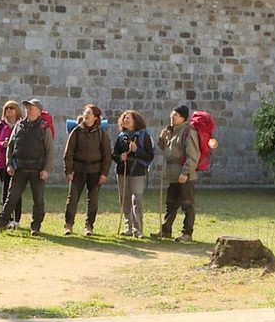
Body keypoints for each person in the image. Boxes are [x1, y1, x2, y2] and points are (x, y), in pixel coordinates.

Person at [0, 98, 53, 237]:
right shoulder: (19, 126)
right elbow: (10, 146)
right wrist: (9, 163)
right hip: (20, 169)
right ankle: (1, 224)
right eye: (27, 107)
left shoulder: (44, 128)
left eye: (31, 107)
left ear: (38, 111)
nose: (28, 109)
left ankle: (35, 227)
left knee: (38, 200)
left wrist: (46, 169)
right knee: (11, 197)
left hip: (37, 170)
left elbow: (49, 151)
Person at [151, 105, 200, 243]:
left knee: (187, 204)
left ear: (183, 118)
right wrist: (162, 139)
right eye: (172, 114)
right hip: (173, 174)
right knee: (171, 204)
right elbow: (166, 150)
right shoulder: (171, 131)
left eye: (176, 115)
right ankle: (166, 230)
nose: (172, 117)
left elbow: (193, 156)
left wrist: (185, 172)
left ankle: (187, 233)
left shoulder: (189, 132)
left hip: (185, 175)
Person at [62, 104, 111, 237]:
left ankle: (89, 226)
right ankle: (68, 225)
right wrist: (68, 171)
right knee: (72, 199)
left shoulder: (102, 134)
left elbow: (107, 155)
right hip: (78, 171)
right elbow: (68, 153)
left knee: (93, 200)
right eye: (85, 112)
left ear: (95, 117)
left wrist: (104, 173)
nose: (86, 114)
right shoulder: (76, 131)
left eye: (89, 113)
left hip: (95, 172)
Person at [113, 110, 154, 238]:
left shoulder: (144, 135)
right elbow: (114, 154)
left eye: (128, 118)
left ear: (135, 120)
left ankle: (139, 229)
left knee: (137, 199)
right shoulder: (121, 136)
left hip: (138, 171)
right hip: (123, 171)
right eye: (124, 118)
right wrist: (120, 157)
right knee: (125, 199)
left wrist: (137, 150)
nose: (125, 120)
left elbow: (149, 156)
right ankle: (128, 227)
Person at [0, 100, 22, 229]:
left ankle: (16, 219)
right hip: (3, 163)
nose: (9, 111)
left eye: (12, 108)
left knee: (17, 191)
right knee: (5, 192)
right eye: (7, 109)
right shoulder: (0, 126)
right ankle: (6, 219)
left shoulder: (21, 125)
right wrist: (2, 144)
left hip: (18, 163)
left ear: (16, 111)